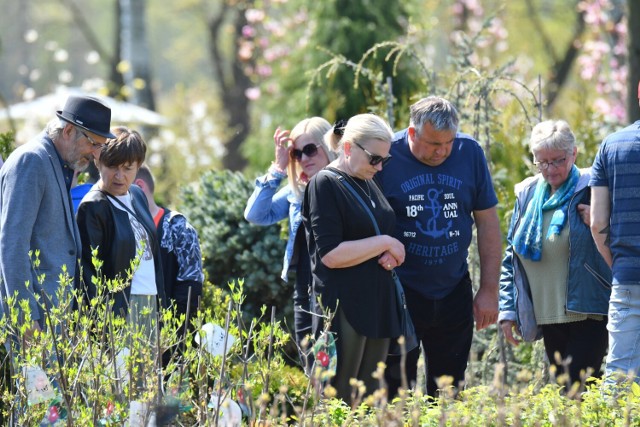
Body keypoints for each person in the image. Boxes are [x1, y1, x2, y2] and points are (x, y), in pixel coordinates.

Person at [376, 96, 501, 398]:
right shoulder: (385, 157)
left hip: (453, 289)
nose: (442, 151)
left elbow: (487, 223)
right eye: (433, 143)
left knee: (449, 392)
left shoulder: (468, 152)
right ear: (411, 133)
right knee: (396, 392)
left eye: (448, 142)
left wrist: (489, 290)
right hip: (400, 291)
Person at [499, 120, 611, 390]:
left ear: (574, 153)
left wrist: (601, 221)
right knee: (566, 392)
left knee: (578, 392)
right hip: (548, 315)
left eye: (557, 160)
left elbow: (625, 236)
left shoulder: (592, 188)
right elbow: (511, 255)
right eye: (542, 162)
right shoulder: (527, 193)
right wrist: (507, 307)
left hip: (588, 311)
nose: (549, 170)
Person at [302, 113, 405, 402]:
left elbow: (373, 234)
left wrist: (391, 252)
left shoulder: (367, 179)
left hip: (377, 307)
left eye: (385, 159)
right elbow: (331, 255)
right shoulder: (325, 184)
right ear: (348, 148)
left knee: (370, 400)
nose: (380, 166)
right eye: (374, 158)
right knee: (339, 399)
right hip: (343, 309)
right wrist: (385, 242)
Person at [0, 94, 113, 339]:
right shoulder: (31, 161)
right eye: (93, 143)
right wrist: (26, 318)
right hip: (34, 323)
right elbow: (12, 245)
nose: (96, 154)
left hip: (52, 320)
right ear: (69, 131)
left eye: (100, 146)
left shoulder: (57, 161)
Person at [244, 117, 335, 352]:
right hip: (304, 288)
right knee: (310, 365)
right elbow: (255, 214)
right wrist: (278, 168)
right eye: (297, 153)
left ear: (327, 147)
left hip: (336, 288)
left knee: (333, 369)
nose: (304, 159)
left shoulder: (344, 184)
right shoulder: (297, 191)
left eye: (310, 150)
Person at [76, 126, 165, 328]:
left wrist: (162, 318)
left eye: (127, 168)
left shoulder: (137, 195)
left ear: (138, 166)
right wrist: (102, 330)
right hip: (120, 311)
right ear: (98, 161)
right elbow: (89, 277)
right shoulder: (93, 206)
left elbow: (154, 260)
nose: (119, 176)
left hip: (150, 303)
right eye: (112, 166)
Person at [590, 82, 640, 386]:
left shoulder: (612, 145)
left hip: (628, 276)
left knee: (620, 376)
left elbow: (597, 223)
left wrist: (618, 264)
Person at [135, 163, 204, 359]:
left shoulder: (177, 227)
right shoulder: (123, 227)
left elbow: (191, 290)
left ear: (139, 186)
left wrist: (170, 339)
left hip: (169, 345)